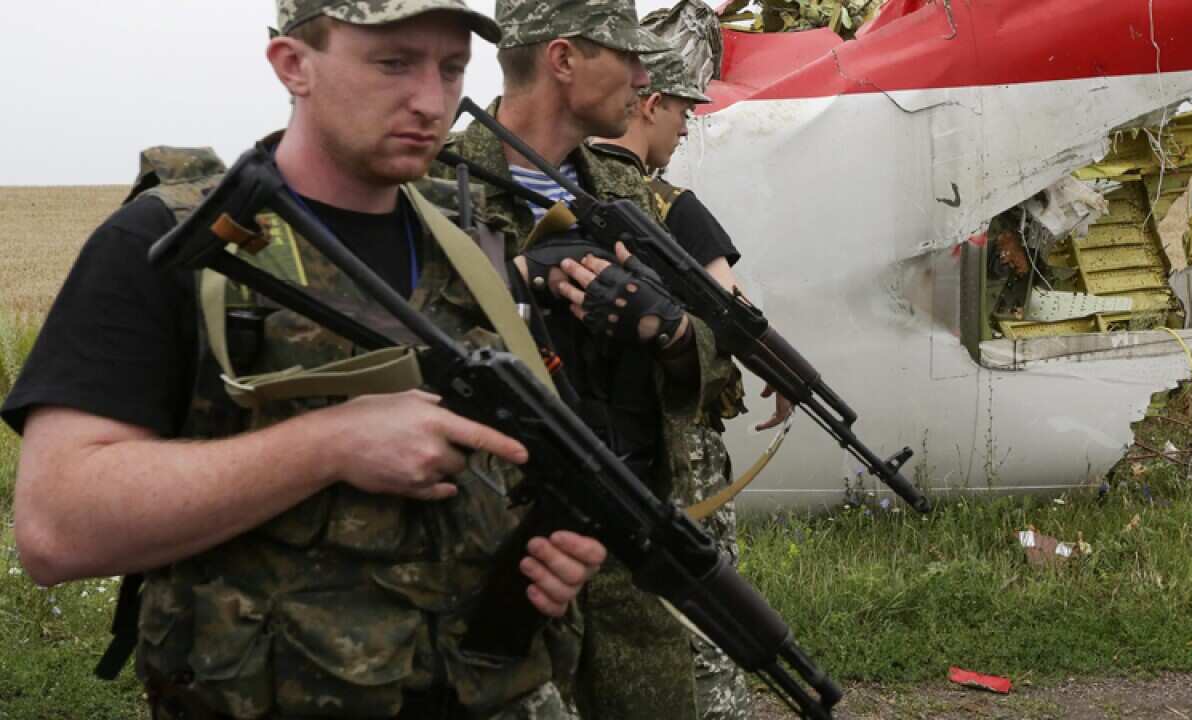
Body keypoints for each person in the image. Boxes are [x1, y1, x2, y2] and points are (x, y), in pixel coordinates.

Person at [2, 2, 608, 718]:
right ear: (293, 66)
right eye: (393, 63)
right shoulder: (177, 243)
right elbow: (56, 527)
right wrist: (328, 445)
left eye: (450, 70)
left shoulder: (478, 244)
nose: (430, 100)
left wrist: (548, 556)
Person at [430, 3, 743, 719]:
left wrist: (669, 332)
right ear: (563, 60)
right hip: (511, 571)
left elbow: (719, 366)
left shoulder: (624, 192)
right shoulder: (437, 190)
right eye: (624, 56)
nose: (643, 76)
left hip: (634, 558)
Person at [585, 48, 793, 720]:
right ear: (649, 104)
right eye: (680, 111)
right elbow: (734, 314)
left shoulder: (569, 188)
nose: (685, 128)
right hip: (680, 441)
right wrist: (785, 378)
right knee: (704, 607)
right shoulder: (671, 205)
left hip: (597, 437)